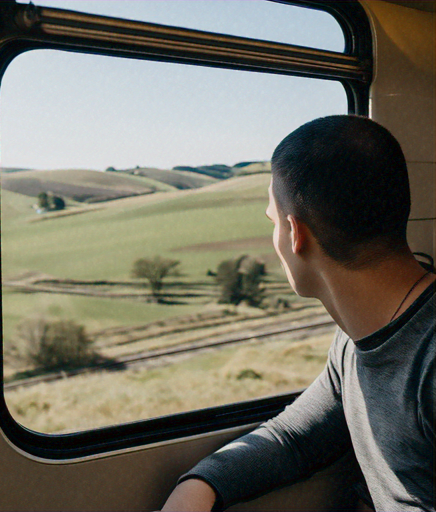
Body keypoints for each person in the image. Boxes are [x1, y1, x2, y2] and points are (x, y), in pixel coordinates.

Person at [160, 115, 435, 512]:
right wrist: (198, 487)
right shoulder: (354, 340)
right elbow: (296, 439)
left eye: (272, 221)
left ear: (295, 234)